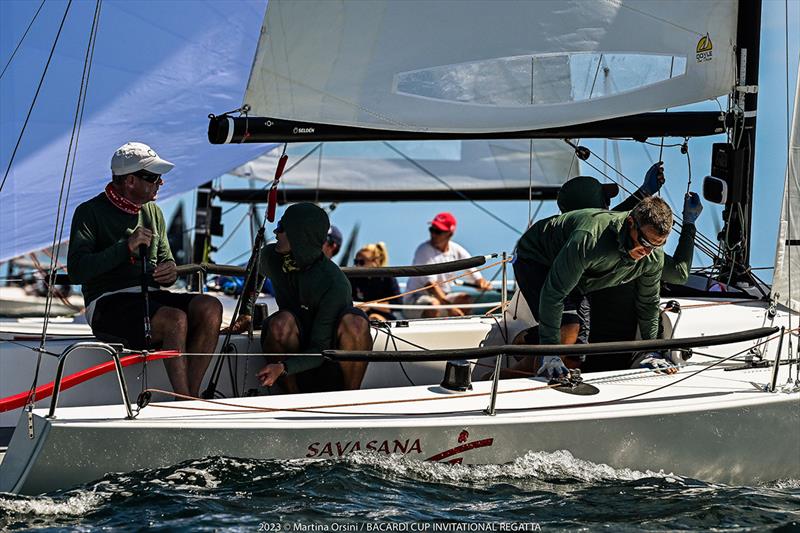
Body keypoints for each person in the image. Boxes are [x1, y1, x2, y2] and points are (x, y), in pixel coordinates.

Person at [67, 142, 223, 397]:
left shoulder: (154, 212)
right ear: (129, 180)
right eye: (153, 177)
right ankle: (185, 400)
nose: (160, 183)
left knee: (211, 307)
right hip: (108, 303)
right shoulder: (89, 212)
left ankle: (191, 398)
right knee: (175, 319)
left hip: (149, 299)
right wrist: (125, 247)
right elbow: (77, 271)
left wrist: (170, 271)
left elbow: (166, 260)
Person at [514, 196, 677, 379]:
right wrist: (549, 351)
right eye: (645, 242)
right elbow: (554, 293)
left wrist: (650, 350)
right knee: (569, 327)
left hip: (579, 275)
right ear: (630, 222)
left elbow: (648, 303)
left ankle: (533, 347)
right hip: (537, 258)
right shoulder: (590, 238)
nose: (647, 252)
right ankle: (502, 379)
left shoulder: (652, 257)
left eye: (658, 245)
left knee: (578, 350)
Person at [229, 203, 373, 392]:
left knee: (355, 323)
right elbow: (256, 268)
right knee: (280, 323)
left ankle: (350, 398)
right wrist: (246, 314)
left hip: (330, 360)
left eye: (282, 227)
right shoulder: (271, 257)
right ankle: (292, 399)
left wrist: (283, 367)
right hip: (293, 359)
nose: (276, 231)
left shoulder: (335, 282)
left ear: (299, 235)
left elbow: (321, 349)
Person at [404, 212, 493, 318]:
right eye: (432, 229)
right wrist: (450, 307)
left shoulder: (457, 249)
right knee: (433, 305)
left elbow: (473, 272)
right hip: (416, 300)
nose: (433, 234)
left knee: (465, 299)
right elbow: (431, 286)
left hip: (442, 298)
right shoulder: (423, 250)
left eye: (438, 231)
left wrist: (481, 283)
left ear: (450, 234)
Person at [350, 242, 400, 321]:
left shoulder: (387, 278)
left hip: (383, 317)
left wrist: (371, 305)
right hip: (359, 316)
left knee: (374, 318)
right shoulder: (353, 278)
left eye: (362, 262)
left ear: (376, 261)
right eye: (356, 262)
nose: (357, 265)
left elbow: (397, 303)